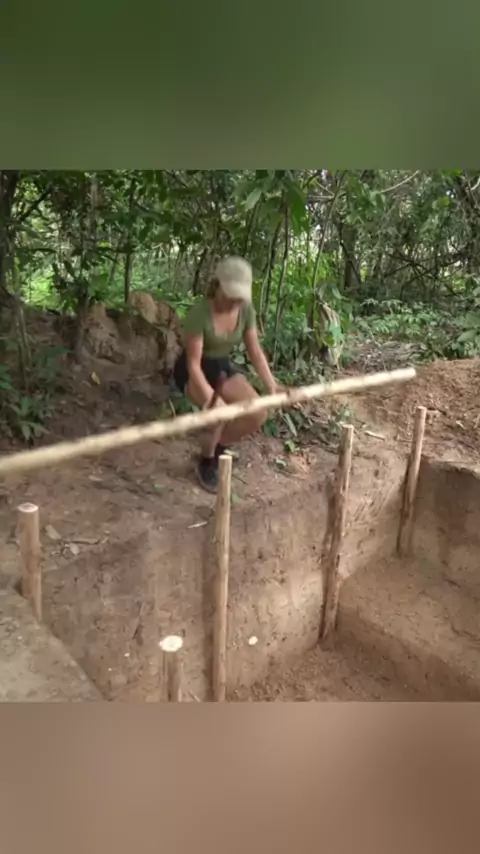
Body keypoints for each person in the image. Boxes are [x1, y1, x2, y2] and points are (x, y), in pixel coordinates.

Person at [173, 256, 280, 493]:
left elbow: (255, 351)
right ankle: (206, 462)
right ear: (219, 285)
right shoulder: (200, 314)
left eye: (239, 298)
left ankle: (215, 446)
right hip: (193, 370)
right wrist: (211, 399)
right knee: (219, 414)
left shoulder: (246, 311)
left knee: (258, 412)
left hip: (220, 367)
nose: (235, 302)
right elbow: (193, 364)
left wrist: (271, 386)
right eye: (231, 296)